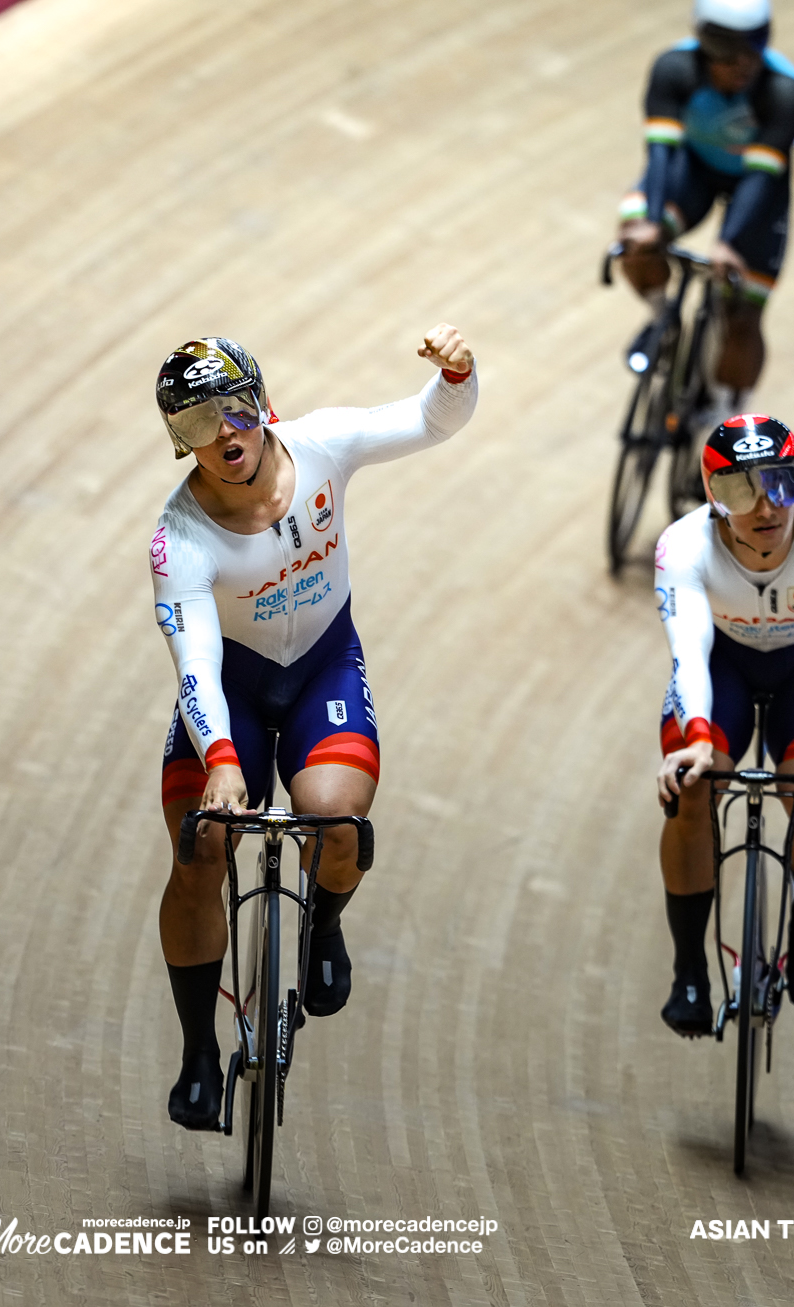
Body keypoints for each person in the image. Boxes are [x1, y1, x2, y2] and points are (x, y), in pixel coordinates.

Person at [149, 326, 477, 1129]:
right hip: (230, 686)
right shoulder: (178, 540)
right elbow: (193, 664)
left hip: (323, 669)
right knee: (202, 850)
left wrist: (459, 373)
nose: (224, 434)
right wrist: (221, 759)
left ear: (263, 402)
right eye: (197, 425)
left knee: (337, 821)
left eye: (233, 410)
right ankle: (198, 1049)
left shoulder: (322, 444)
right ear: (178, 443)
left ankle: (323, 926)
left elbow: (432, 419)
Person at [652, 414, 794, 1036]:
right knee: (693, 787)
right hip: (725, 668)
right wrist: (694, 741)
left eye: (780, 484)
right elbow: (688, 654)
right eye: (740, 490)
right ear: (712, 499)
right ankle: (689, 963)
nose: (766, 507)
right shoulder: (683, 547)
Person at [616, 0, 794, 457]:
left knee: (741, 312)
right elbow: (659, 153)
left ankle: (726, 412)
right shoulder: (674, 68)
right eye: (726, 51)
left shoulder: (783, 90)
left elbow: (761, 178)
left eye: (752, 49)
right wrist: (654, 225)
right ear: (702, 42)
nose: (740, 64)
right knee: (634, 235)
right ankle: (664, 318)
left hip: (757, 191)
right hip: (695, 171)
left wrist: (727, 244)